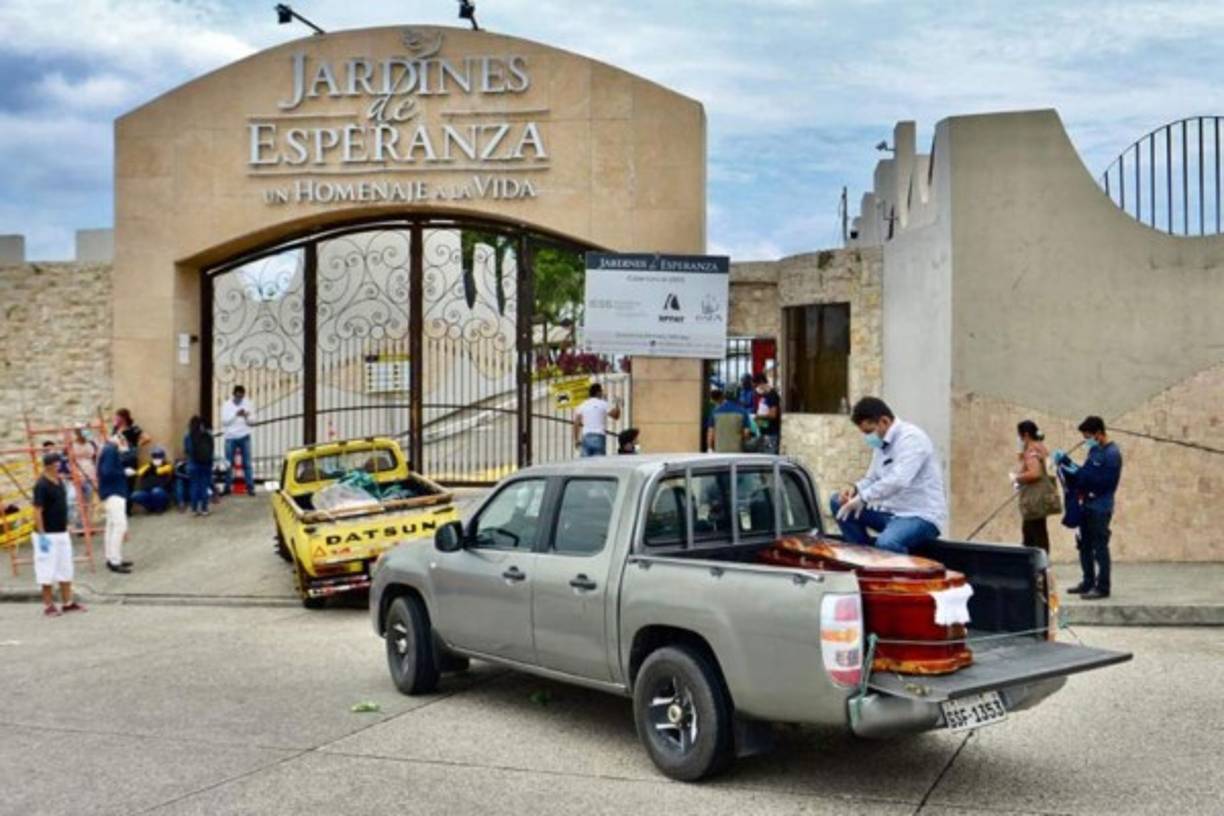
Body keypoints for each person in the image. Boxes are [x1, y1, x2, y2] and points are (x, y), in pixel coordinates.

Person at [830, 397, 947, 553]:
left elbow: (898, 481)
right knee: (837, 502)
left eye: (869, 432)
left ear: (884, 421)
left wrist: (863, 498)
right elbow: (872, 478)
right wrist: (855, 490)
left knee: (887, 543)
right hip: (890, 513)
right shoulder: (881, 444)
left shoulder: (912, 439)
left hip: (919, 516)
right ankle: (863, 558)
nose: (867, 438)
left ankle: (905, 575)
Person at [1055, 416, 1123, 600]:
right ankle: (1088, 581)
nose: (1086, 440)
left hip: (1101, 507)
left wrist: (1078, 474)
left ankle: (1102, 587)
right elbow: (1086, 473)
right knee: (1084, 545)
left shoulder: (1112, 454)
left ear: (1099, 433)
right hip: (1086, 504)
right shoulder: (1095, 451)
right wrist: (1067, 463)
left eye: (1088, 436)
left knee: (1100, 547)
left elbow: (1103, 482)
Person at [32, 452, 86, 616]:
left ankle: (67, 602)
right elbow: (37, 510)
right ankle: (48, 606)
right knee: (46, 571)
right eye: (58, 464)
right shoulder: (41, 485)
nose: (61, 466)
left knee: (65, 568)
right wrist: (41, 534)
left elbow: (63, 505)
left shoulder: (60, 481)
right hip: (47, 535)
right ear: (49, 465)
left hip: (61, 532)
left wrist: (67, 524)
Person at [1010, 420, 1059, 552]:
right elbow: (1050, 471)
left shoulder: (1032, 449)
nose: (1019, 440)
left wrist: (1017, 478)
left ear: (1025, 435)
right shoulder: (1042, 448)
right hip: (1043, 498)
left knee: (1034, 535)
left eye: (1019, 436)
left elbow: (1035, 473)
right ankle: (1038, 567)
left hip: (1034, 500)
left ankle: (1040, 568)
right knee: (1035, 532)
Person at [97, 436, 133, 574]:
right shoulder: (111, 450)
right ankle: (114, 560)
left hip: (110, 493)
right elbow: (107, 472)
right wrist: (123, 472)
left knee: (111, 526)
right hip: (114, 492)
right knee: (119, 526)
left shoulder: (107, 450)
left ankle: (112, 557)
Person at [221, 385, 256, 495]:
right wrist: (235, 415)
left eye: (241, 397)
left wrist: (246, 417)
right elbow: (225, 421)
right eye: (237, 397)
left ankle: (250, 487)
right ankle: (227, 487)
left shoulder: (248, 404)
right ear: (234, 394)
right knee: (229, 463)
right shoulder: (227, 405)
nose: (239, 399)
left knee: (247, 463)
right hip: (230, 437)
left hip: (244, 435)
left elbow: (253, 421)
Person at [573, 383, 621, 457]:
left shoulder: (582, 405)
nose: (602, 393)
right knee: (598, 465)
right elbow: (616, 416)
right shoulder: (603, 404)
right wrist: (617, 404)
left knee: (585, 464)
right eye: (601, 391)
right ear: (598, 392)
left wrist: (576, 440)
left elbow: (576, 423)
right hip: (599, 437)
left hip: (586, 437)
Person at [705, 387, 759, 452]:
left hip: (719, 451)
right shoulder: (743, 412)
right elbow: (746, 433)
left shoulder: (715, 412)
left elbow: (710, 432)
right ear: (738, 396)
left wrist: (709, 448)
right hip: (737, 451)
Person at [184, 416, 215, 516]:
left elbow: (187, 450)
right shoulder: (207, 435)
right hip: (206, 464)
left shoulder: (188, 436)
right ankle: (204, 509)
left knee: (194, 486)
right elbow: (211, 450)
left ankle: (194, 509)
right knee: (204, 486)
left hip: (193, 464)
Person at [131, 447, 174, 514]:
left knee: (156, 491)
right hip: (148, 491)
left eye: (159, 457)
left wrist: (152, 467)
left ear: (163, 457)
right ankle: (150, 507)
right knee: (135, 495)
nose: (157, 459)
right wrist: (150, 466)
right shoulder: (149, 465)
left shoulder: (167, 465)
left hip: (161, 492)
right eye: (155, 457)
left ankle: (159, 508)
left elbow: (159, 471)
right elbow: (139, 472)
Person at [753, 372, 782, 454]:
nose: (756, 389)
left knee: (769, 458)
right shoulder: (764, 396)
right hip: (763, 431)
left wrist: (759, 416)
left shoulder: (772, 395)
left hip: (771, 433)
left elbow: (773, 414)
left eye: (756, 386)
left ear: (761, 382)